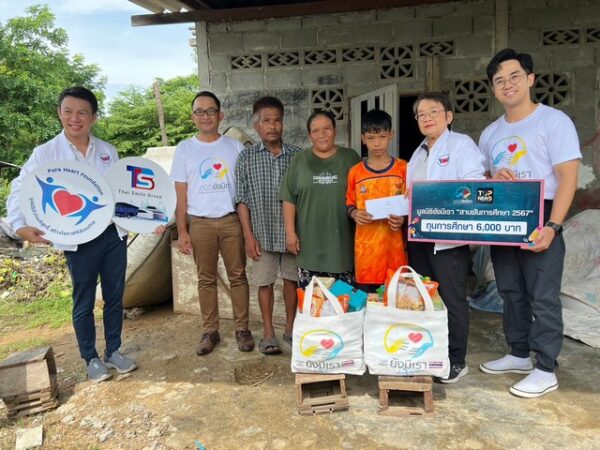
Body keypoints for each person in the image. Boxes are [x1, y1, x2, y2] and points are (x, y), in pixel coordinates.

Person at [6, 86, 137, 383]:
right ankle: (90, 357)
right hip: (78, 238)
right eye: (68, 111)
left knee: (115, 296)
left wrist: (144, 219)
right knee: (84, 298)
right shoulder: (45, 153)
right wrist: (19, 225)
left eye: (82, 113)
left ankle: (114, 350)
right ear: (59, 113)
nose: (75, 118)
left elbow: (120, 192)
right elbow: (19, 189)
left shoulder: (107, 151)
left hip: (112, 234)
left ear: (94, 117)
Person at [478, 49, 581, 398]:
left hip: (542, 213)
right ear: (494, 89)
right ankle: (519, 353)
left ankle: (546, 368)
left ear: (530, 79)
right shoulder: (490, 133)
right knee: (510, 290)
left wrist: (553, 226)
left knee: (543, 295)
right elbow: (482, 178)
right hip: (505, 215)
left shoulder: (554, 122)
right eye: (499, 81)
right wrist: (492, 178)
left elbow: (568, 178)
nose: (507, 85)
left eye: (514, 77)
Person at [407, 92, 485, 383]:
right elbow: (411, 194)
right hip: (419, 237)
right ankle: (432, 354)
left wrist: (441, 199)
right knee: (426, 297)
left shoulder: (461, 144)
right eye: (421, 114)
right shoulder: (418, 153)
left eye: (433, 112)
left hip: (448, 238)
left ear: (449, 116)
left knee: (452, 299)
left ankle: (456, 360)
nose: (426, 118)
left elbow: (473, 185)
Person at [171, 91, 254, 356]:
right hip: (200, 223)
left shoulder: (235, 147)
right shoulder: (184, 149)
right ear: (193, 117)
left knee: (238, 276)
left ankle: (242, 328)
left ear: (221, 115)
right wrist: (182, 230)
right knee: (205, 279)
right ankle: (210, 331)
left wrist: (248, 229)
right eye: (200, 111)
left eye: (210, 111)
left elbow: (244, 189)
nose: (205, 116)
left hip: (231, 221)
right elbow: (181, 193)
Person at [235, 96, 301, 354]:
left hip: (291, 234)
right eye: (266, 121)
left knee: (291, 282)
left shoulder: (297, 156)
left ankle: (291, 329)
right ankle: (269, 332)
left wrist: (297, 233)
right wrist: (248, 236)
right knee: (264, 283)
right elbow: (242, 199)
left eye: (277, 120)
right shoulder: (246, 158)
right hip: (261, 234)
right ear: (256, 126)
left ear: (283, 124)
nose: (273, 126)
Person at [280, 110, 361, 289]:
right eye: (315, 131)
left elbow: (363, 194)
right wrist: (290, 233)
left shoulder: (350, 158)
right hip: (309, 248)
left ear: (335, 130)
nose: (322, 134)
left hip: (342, 249)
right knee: (312, 302)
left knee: (343, 301)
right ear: (310, 135)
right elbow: (288, 198)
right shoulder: (300, 160)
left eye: (327, 129)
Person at [346, 109, 408, 293]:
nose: (377, 143)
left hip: (395, 253)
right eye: (371, 138)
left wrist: (403, 220)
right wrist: (355, 213)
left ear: (391, 135)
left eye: (382, 136)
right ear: (363, 139)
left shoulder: (403, 168)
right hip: (367, 255)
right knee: (368, 304)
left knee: (395, 301)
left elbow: (413, 206)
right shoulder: (356, 172)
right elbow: (349, 203)